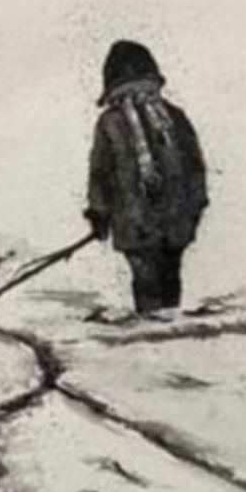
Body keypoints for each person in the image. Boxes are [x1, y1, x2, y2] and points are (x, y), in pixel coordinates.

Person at [85, 40, 208, 313]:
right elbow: (101, 173)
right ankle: (160, 335)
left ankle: (159, 336)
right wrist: (99, 211)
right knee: (157, 279)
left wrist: (99, 211)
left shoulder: (166, 118)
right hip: (152, 220)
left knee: (159, 278)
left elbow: (194, 163)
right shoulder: (123, 121)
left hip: (156, 221)